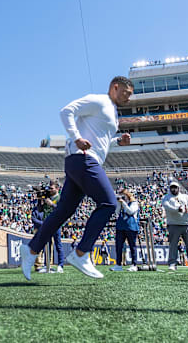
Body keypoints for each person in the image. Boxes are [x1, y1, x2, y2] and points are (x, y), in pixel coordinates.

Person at [20, 76, 134, 280]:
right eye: (126, 93)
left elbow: (101, 140)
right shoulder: (98, 101)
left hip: (82, 160)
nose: (128, 98)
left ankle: (31, 249)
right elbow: (66, 111)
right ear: (115, 87)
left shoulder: (113, 112)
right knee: (108, 203)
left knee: (63, 211)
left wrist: (118, 142)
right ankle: (81, 253)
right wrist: (76, 138)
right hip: (83, 159)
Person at [162, 181, 188, 270]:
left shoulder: (185, 197)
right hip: (173, 224)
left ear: (178, 188)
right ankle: (172, 263)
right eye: (172, 187)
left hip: (186, 224)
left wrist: (187, 208)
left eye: (175, 187)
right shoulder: (167, 197)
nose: (174, 189)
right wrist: (177, 209)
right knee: (173, 245)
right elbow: (166, 206)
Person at [32, 182, 64, 273]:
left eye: (52, 188)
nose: (49, 190)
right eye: (49, 188)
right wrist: (39, 200)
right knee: (47, 245)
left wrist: (52, 204)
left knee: (58, 244)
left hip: (56, 223)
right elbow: (40, 210)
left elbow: (61, 210)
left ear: (57, 189)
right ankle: (47, 265)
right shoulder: (47, 197)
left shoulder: (60, 198)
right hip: (47, 223)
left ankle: (60, 265)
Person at [110, 189, 139, 272]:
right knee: (118, 246)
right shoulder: (122, 203)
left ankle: (134, 264)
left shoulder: (134, 203)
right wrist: (119, 204)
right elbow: (117, 212)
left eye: (123, 196)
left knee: (132, 246)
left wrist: (124, 203)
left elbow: (130, 212)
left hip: (131, 227)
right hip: (121, 227)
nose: (122, 197)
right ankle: (118, 264)